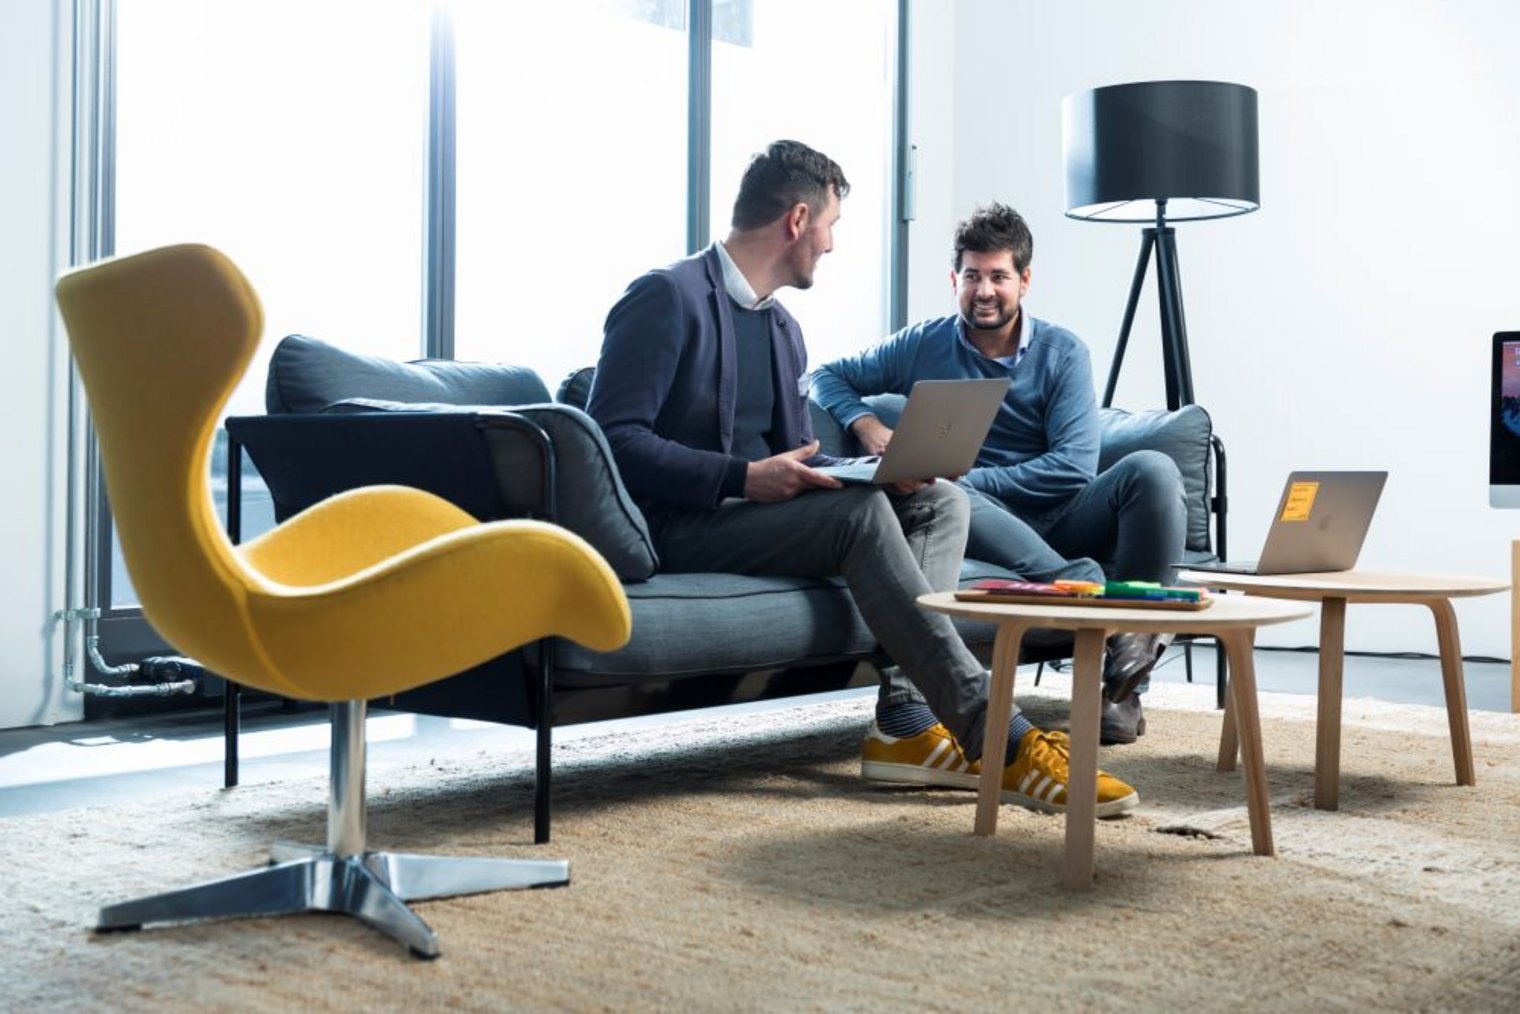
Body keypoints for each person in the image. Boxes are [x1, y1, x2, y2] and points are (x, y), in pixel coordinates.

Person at [588, 143, 1137, 816]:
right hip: (678, 527)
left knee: (937, 501)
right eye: (831, 226)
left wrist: (869, 475)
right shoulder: (665, 297)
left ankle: (904, 719)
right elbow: (611, 443)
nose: (831, 244)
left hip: (754, 521)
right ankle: (1002, 738)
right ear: (796, 220)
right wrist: (742, 476)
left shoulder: (784, 329)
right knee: (858, 520)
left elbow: (798, 457)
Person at [811, 202, 1187, 746]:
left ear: (1024, 280)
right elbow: (824, 375)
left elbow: (1073, 468)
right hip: (978, 518)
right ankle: (1087, 590)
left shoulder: (1062, 352)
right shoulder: (924, 342)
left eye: (998, 277)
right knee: (941, 490)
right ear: (954, 279)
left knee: (1153, 470)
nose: (984, 291)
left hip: (1060, 513)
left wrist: (971, 480)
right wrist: (865, 423)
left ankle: (1123, 687)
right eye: (971, 276)